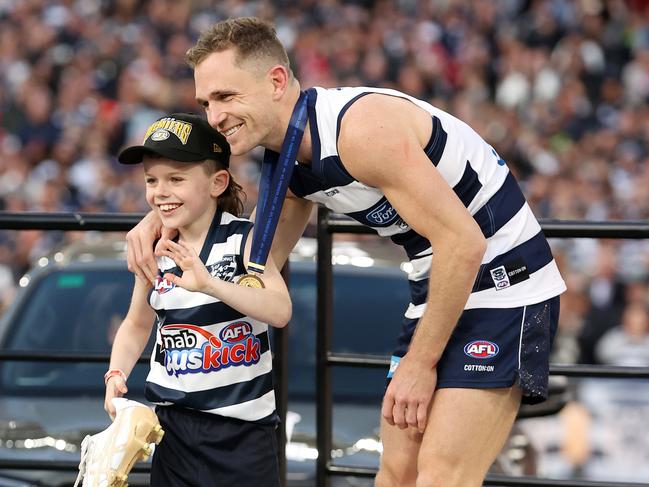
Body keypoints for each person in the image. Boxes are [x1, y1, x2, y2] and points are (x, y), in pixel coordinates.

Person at [126, 18, 566, 487]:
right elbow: (251, 266)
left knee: (442, 477)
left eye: (226, 97)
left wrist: (419, 365)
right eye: (206, 102)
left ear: (276, 81)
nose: (214, 117)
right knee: (396, 474)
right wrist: (166, 212)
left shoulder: (359, 130)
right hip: (437, 287)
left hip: (505, 285)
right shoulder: (290, 163)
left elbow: (464, 242)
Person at [104, 112, 291, 486]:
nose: (161, 191)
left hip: (244, 435)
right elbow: (136, 323)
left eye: (176, 179)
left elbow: (280, 310)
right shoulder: (155, 250)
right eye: (152, 180)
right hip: (174, 431)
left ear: (217, 182)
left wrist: (210, 285)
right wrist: (115, 374)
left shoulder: (244, 238)